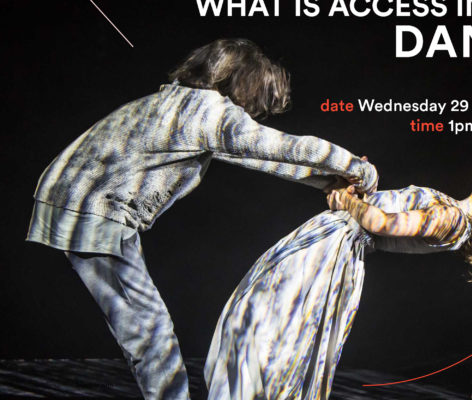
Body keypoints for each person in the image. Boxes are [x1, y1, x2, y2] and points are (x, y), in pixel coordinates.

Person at [25, 39, 378, 400]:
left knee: (142, 325)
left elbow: (255, 156)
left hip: (70, 199)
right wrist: (356, 167)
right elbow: (284, 146)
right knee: (149, 329)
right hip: (89, 210)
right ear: (245, 83)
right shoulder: (208, 112)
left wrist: (328, 181)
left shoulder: (178, 103)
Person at [204, 179, 472, 399]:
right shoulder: (453, 216)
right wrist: (358, 193)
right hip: (333, 243)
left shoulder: (453, 220)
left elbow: (381, 223)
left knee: (270, 325)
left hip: (331, 250)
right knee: (266, 321)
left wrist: (347, 200)